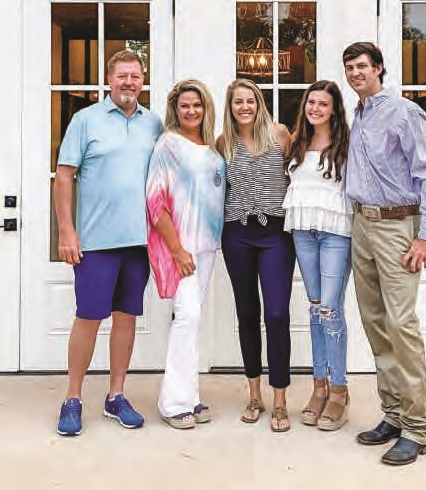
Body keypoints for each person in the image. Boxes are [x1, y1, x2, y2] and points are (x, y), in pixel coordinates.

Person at [342, 42, 426, 465]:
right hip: (362, 226)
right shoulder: (359, 112)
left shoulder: (404, 112)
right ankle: (394, 413)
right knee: (375, 323)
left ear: (379, 69)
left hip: (397, 227)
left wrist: (425, 237)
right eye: (349, 68)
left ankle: (418, 428)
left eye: (362, 67)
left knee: (401, 323)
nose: (355, 74)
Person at [54, 50, 163, 436]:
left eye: (135, 76)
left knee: (126, 318)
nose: (129, 82)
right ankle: (72, 398)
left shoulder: (154, 124)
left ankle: (116, 395)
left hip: (139, 242)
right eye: (122, 76)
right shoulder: (86, 121)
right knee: (88, 317)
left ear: (142, 80)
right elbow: (64, 176)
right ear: (109, 79)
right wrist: (67, 231)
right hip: (97, 242)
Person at [146, 79, 225, 429]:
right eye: (184, 106)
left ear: (205, 108)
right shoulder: (168, 144)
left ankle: (189, 397)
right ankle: (174, 402)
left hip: (208, 247)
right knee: (187, 316)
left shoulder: (211, 147)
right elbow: (155, 201)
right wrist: (176, 249)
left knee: (191, 319)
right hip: (183, 247)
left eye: (197, 105)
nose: (191, 111)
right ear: (175, 110)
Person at [217, 78, 295, 433]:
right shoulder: (223, 143)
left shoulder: (280, 135)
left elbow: (300, 178)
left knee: (277, 314)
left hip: (275, 233)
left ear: (259, 103)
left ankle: (280, 400)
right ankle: (254, 394)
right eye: (238, 102)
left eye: (250, 100)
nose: (244, 107)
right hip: (237, 234)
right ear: (230, 107)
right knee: (247, 312)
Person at [283, 80, 352, 431]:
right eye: (311, 103)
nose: (315, 109)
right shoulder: (295, 142)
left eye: (323, 104)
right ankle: (319, 387)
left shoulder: (346, 143)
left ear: (334, 109)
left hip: (336, 233)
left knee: (330, 309)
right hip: (303, 231)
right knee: (314, 308)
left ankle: (339, 391)